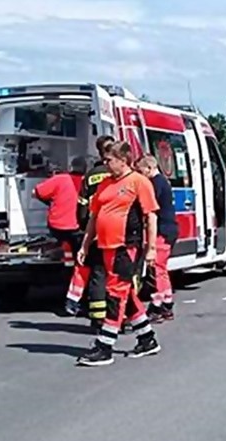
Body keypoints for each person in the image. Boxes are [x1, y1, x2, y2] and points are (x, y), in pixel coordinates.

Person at [76, 141, 161, 366]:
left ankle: (105, 346)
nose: (106, 164)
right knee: (125, 292)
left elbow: (151, 216)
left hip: (126, 245)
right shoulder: (105, 184)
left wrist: (151, 248)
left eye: (110, 160)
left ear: (123, 160)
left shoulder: (138, 182)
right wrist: (85, 246)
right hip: (105, 245)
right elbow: (94, 218)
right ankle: (147, 338)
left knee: (115, 293)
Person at [65, 135, 114, 325]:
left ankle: (97, 316)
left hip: (94, 230)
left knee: (97, 274)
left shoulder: (91, 175)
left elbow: (83, 205)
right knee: (118, 276)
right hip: (116, 231)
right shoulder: (120, 175)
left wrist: (84, 226)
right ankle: (119, 315)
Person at [136, 155, 179, 322]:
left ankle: (157, 305)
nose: (140, 174)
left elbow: (149, 206)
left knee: (156, 269)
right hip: (169, 229)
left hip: (162, 229)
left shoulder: (156, 184)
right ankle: (167, 304)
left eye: (141, 171)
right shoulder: (163, 182)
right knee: (162, 269)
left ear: (149, 168)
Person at [32, 155, 86, 266]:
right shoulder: (86, 182)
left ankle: (61, 253)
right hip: (78, 228)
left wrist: (49, 202)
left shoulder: (60, 179)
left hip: (57, 227)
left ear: (71, 167)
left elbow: (35, 192)